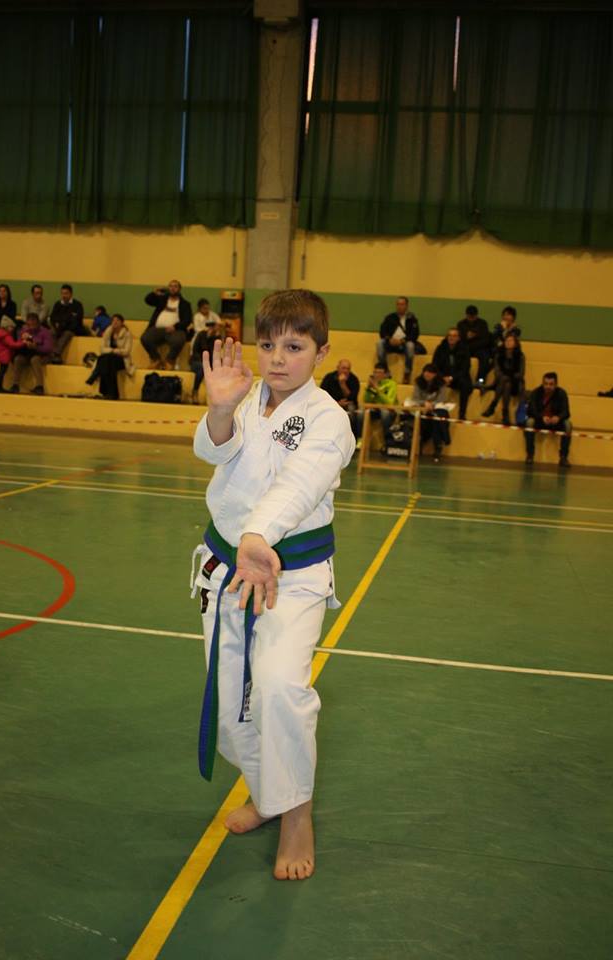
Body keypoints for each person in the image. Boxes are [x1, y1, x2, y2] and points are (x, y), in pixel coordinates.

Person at [191, 289, 354, 881]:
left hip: (291, 574)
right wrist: (220, 411)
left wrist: (258, 536)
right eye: (268, 345)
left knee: (280, 689)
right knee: (234, 704)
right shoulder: (245, 395)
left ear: (321, 352)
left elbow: (299, 485)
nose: (278, 358)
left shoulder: (329, 420)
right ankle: (267, 794)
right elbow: (214, 453)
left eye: (295, 346)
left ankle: (296, 815)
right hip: (228, 569)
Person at [141, 280, 193, 370]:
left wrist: (175, 327)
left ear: (179, 289)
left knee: (179, 340)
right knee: (145, 338)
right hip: (158, 329)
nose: (173, 288)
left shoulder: (185, 304)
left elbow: (187, 320)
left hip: (176, 330)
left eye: (175, 286)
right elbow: (148, 300)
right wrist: (154, 293)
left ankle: (169, 361)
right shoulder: (161, 299)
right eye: (171, 286)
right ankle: (156, 359)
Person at [524, 372, 572, 467]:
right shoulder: (536, 393)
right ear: (542, 383)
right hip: (540, 421)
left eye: (551, 384)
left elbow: (566, 412)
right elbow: (530, 411)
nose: (548, 386)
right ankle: (530, 455)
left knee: (568, 424)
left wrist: (558, 417)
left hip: (556, 423)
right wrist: (541, 417)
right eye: (545, 384)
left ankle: (563, 457)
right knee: (529, 422)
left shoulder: (562, 393)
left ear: (556, 384)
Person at [85, 314, 134, 400]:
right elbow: (102, 349)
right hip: (109, 359)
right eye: (113, 320)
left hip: (122, 359)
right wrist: (112, 351)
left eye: (117, 320)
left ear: (122, 323)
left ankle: (97, 379)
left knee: (105, 361)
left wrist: (115, 351)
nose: (115, 322)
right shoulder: (108, 332)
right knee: (107, 362)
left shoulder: (127, 334)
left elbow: (126, 351)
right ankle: (111, 394)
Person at [409, 363, 451, 462]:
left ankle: (437, 445)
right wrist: (425, 403)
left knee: (438, 417)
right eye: (425, 372)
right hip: (422, 408)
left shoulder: (441, 384)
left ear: (435, 374)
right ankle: (443, 440)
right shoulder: (418, 382)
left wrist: (431, 405)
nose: (427, 374)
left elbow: (441, 399)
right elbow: (415, 398)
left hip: (436, 408)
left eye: (430, 373)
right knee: (435, 419)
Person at [482, 333, 525, 425]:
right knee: (506, 383)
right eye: (506, 340)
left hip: (515, 383)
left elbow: (521, 373)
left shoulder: (520, 356)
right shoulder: (499, 355)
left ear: (515, 343)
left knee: (507, 382)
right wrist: (506, 377)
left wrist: (509, 376)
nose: (508, 342)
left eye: (511, 340)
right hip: (501, 381)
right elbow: (497, 372)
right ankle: (505, 413)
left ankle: (493, 405)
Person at [376, 296, 421, 384]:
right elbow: (382, 331)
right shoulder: (389, 317)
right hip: (391, 342)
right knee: (380, 344)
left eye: (402, 304)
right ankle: (386, 372)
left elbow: (415, 334)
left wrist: (402, 340)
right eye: (398, 304)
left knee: (411, 346)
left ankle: (407, 373)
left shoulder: (412, 318)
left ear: (407, 306)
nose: (400, 306)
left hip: (404, 343)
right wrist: (389, 339)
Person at [432, 327, 472, 420]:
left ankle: (462, 414)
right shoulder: (440, 348)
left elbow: (465, 368)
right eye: (449, 335)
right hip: (442, 377)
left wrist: (451, 378)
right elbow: (435, 366)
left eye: (454, 336)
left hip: (457, 378)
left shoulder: (464, 349)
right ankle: (434, 411)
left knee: (464, 384)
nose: (451, 338)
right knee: (431, 381)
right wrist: (443, 377)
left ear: (458, 338)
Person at [354, 362, 398, 446]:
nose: (377, 375)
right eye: (375, 372)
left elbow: (390, 403)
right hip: (374, 410)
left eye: (379, 372)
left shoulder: (391, 384)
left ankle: (388, 441)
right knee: (360, 413)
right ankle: (360, 439)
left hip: (388, 410)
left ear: (385, 374)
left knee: (385, 413)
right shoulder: (373, 383)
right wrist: (369, 388)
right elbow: (366, 400)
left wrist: (377, 389)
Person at [12, 313, 54, 395]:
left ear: (38, 323)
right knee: (18, 359)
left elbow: (48, 348)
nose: (31, 327)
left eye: (33, 324)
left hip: (42, 355)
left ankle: (39, 386)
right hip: (27, 354)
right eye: (29, 325)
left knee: (35, 360)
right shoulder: (24, 331)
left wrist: (35, 346)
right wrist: (23, 342)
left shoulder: (45, 332)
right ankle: (15, 385)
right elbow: (17, 344)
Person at [320, 358, 360, 434]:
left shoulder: (354, 379)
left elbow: (352, 397)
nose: (345, 371)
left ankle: (352, 436)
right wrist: (337, 403)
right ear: (338, 368)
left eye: (348, 369)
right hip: (332, 403)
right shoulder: (329, 378)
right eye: (343, 368)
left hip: (349, 405)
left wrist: (343, 384)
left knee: (352, 410)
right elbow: (323, 395)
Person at [190, 316, 222, 403]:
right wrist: (208, 337)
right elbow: (202, 350)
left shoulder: (217, 337)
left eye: (213, 326)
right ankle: (195, 391)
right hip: (197, 361)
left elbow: (215, 352)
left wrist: (214, 338)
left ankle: (217, 396)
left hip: (210, 362)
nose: (211, 328)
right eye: (210, 326)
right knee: (202, 369)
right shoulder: (201, 335)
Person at [49, 284, 85, 362]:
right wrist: (56, 325)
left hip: (72, 330)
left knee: (66, 333)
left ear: (71, 294)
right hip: (59, 328)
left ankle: (56, 354)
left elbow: (77, 320)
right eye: (62, 293)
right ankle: (52, 355)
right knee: (51, 332)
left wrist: (63, 325)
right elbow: (53, 317)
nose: (64, 296)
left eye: (66, 293)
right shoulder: (57, 304)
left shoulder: (77, 305)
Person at [457, 304, 491, 386]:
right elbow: (459, 340)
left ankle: (480, 381)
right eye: (469, 317)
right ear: (466, 315)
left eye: (473, 317)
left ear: (476, 315)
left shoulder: (482, 324)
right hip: (465, 348)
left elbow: (486, 340)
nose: (471, 319)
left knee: (485, 357)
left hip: (479, 349)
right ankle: (462, 379)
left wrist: (475, 336)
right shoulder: (461, 324)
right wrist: (466, 337)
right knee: (459, 356)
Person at [0, 316, 22, 393]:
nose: (12, 329)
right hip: (5, 356)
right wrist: (23, 342)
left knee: (1, 371)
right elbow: (13, 344)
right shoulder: (6, 336)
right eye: (11, 327)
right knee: (2, 371)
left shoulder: (0, 335)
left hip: (1, 356)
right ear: (6, 327)